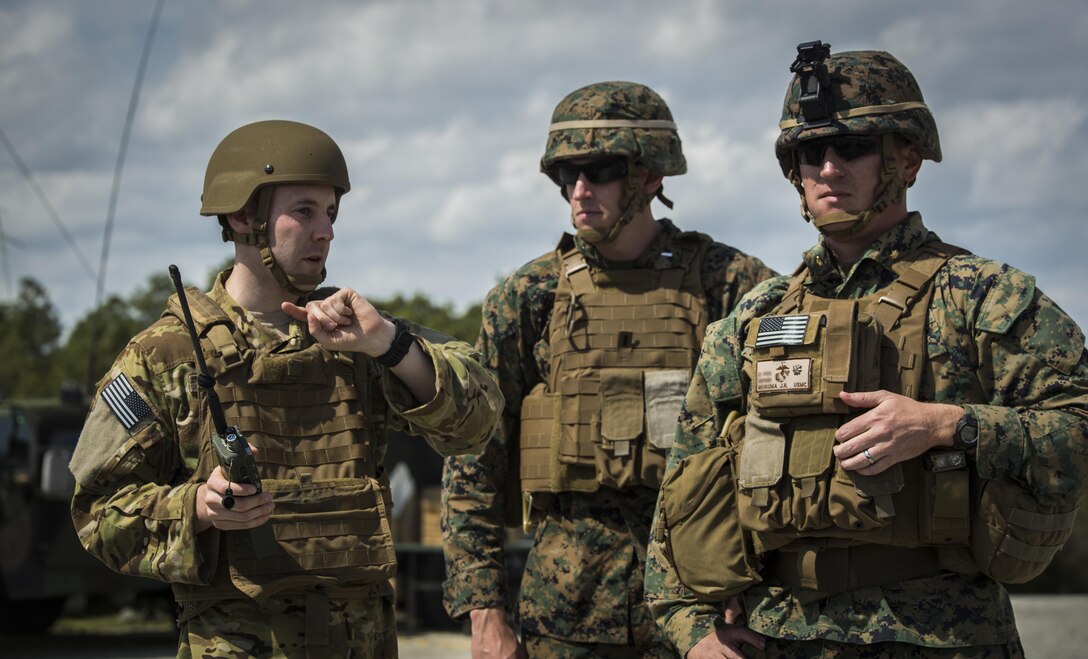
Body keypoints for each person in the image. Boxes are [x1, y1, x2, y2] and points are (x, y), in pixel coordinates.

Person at [645, 42, 1088, 658]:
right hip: (778, 636)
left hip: (943, 637)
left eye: (852, 148)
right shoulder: (751, 320)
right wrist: (691, 629)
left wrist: (948, 425)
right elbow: (686, 482)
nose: (828, 169)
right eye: (810, 153)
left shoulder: (981, 296)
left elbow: (1077, 424)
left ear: (907, 160)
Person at [69, 119, 502, 658]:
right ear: (242, 217)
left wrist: (388, 346)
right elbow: (96, 511)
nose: (326, 231)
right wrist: (197, 507)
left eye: (331, 213)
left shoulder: (361, 336)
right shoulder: (166, 355)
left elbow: (479, 422)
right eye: (305, 211)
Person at [441, 81, 776, 658]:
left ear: (651, 176)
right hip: (566, 614)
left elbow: (775, 446)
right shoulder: (530, 295)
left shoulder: (731, 284)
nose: (579, 190)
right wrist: (484, 612)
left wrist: (755, 590)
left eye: (599, 171)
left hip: (704, 614)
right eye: (565, 174)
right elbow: (474, 456)